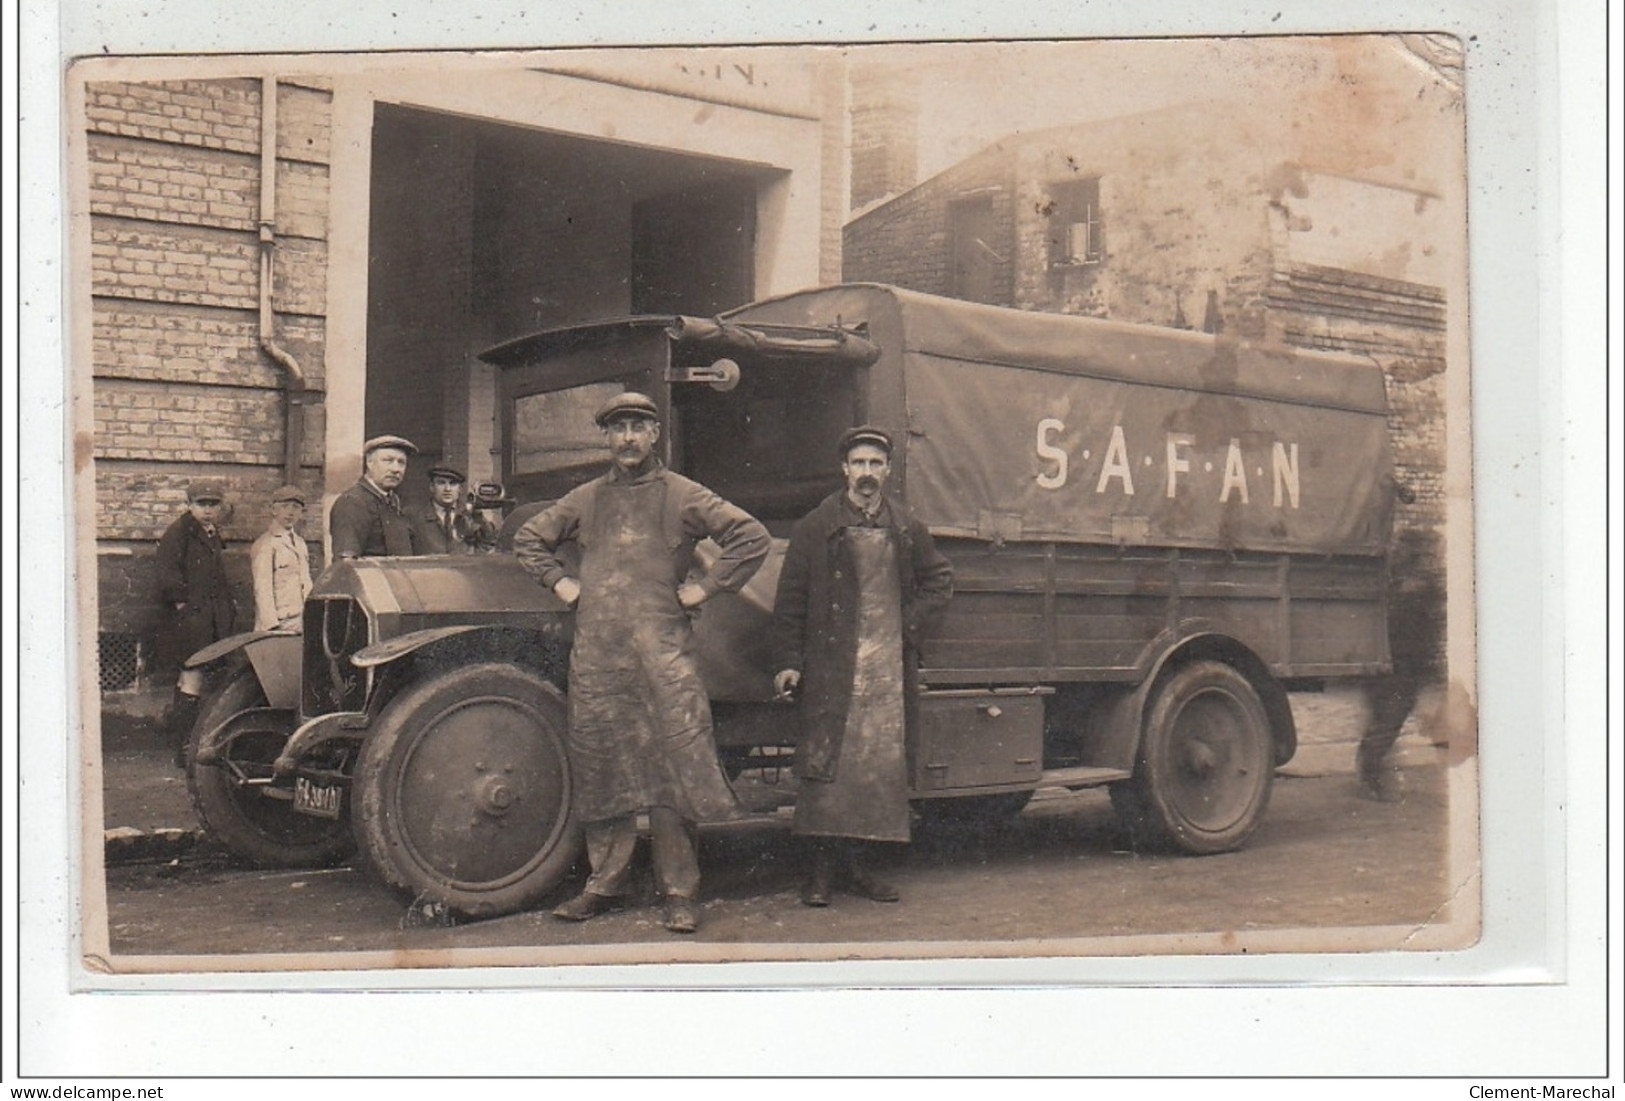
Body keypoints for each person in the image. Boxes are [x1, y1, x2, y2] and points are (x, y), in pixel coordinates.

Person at [513, 392, 770, 934]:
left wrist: (703, 589)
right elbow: (530, 538)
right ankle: (604, 883)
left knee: (669, 768)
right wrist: (561, 582)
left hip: (663, 658)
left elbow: (750, 537)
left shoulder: (682, 494)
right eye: (618, 428)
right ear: (606, 438)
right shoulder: (584, 499)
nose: (628, 437)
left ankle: (679, 890)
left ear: (655, 435)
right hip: (600, 656)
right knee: (601, 762)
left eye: (638, 427)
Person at [772, 426, 953, 907]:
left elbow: (939, 581)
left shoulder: (906, 526)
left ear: (887, 471)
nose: (867, 473)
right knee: (826, 771)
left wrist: (904, 628)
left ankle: (858, 869)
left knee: (874, 772)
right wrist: (788, 662)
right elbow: (790, 601)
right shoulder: (816, 526)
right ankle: (819, 874)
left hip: (885, 674)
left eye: (876, 464)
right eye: (860, 464)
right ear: (844, 470)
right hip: (832, 668)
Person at [1356, 476, 1437, 802]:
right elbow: (1422, 631)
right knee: (1390, 719)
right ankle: (1372, 769)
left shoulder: (1396, 579)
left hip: (1388, 662)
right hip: (1401, 666)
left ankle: (1370, 767)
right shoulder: (1417, 586)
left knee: (1383, 718)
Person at [154, 478, 238, 768]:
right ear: (189, 505)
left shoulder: (211, 533)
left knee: (201, 677)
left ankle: (190, 742)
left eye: (213, 504)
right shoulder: (179, 534)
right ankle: (183, 747)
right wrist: (184, 609)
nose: (207, 510)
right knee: (191, 676)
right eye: (201, 504)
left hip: (209, 619)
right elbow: (167, 574)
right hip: (189, 622)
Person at [328, 435, 420, 559]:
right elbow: (348, 563)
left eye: (401, 463)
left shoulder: (394, 501)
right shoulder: (353, 502)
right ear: (369, 463)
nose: (396, 469)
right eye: (388, 461)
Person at [249, 484, 313, 632]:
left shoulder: (300, 543)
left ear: (301, 512)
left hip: (300, 619)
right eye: (285, 506)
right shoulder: (266, 544)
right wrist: (271, 626)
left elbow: (305, 581)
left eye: (296, 507)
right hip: (279, 621)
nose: (290, 512)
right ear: (274, 510)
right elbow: (262, 588)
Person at [413, 465, 496, 555]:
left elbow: (489, 544)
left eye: (452, 484)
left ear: (459, 489)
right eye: (441, 483)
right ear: (432, 487)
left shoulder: (470, 516)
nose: (447, 489)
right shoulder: (414, 516)